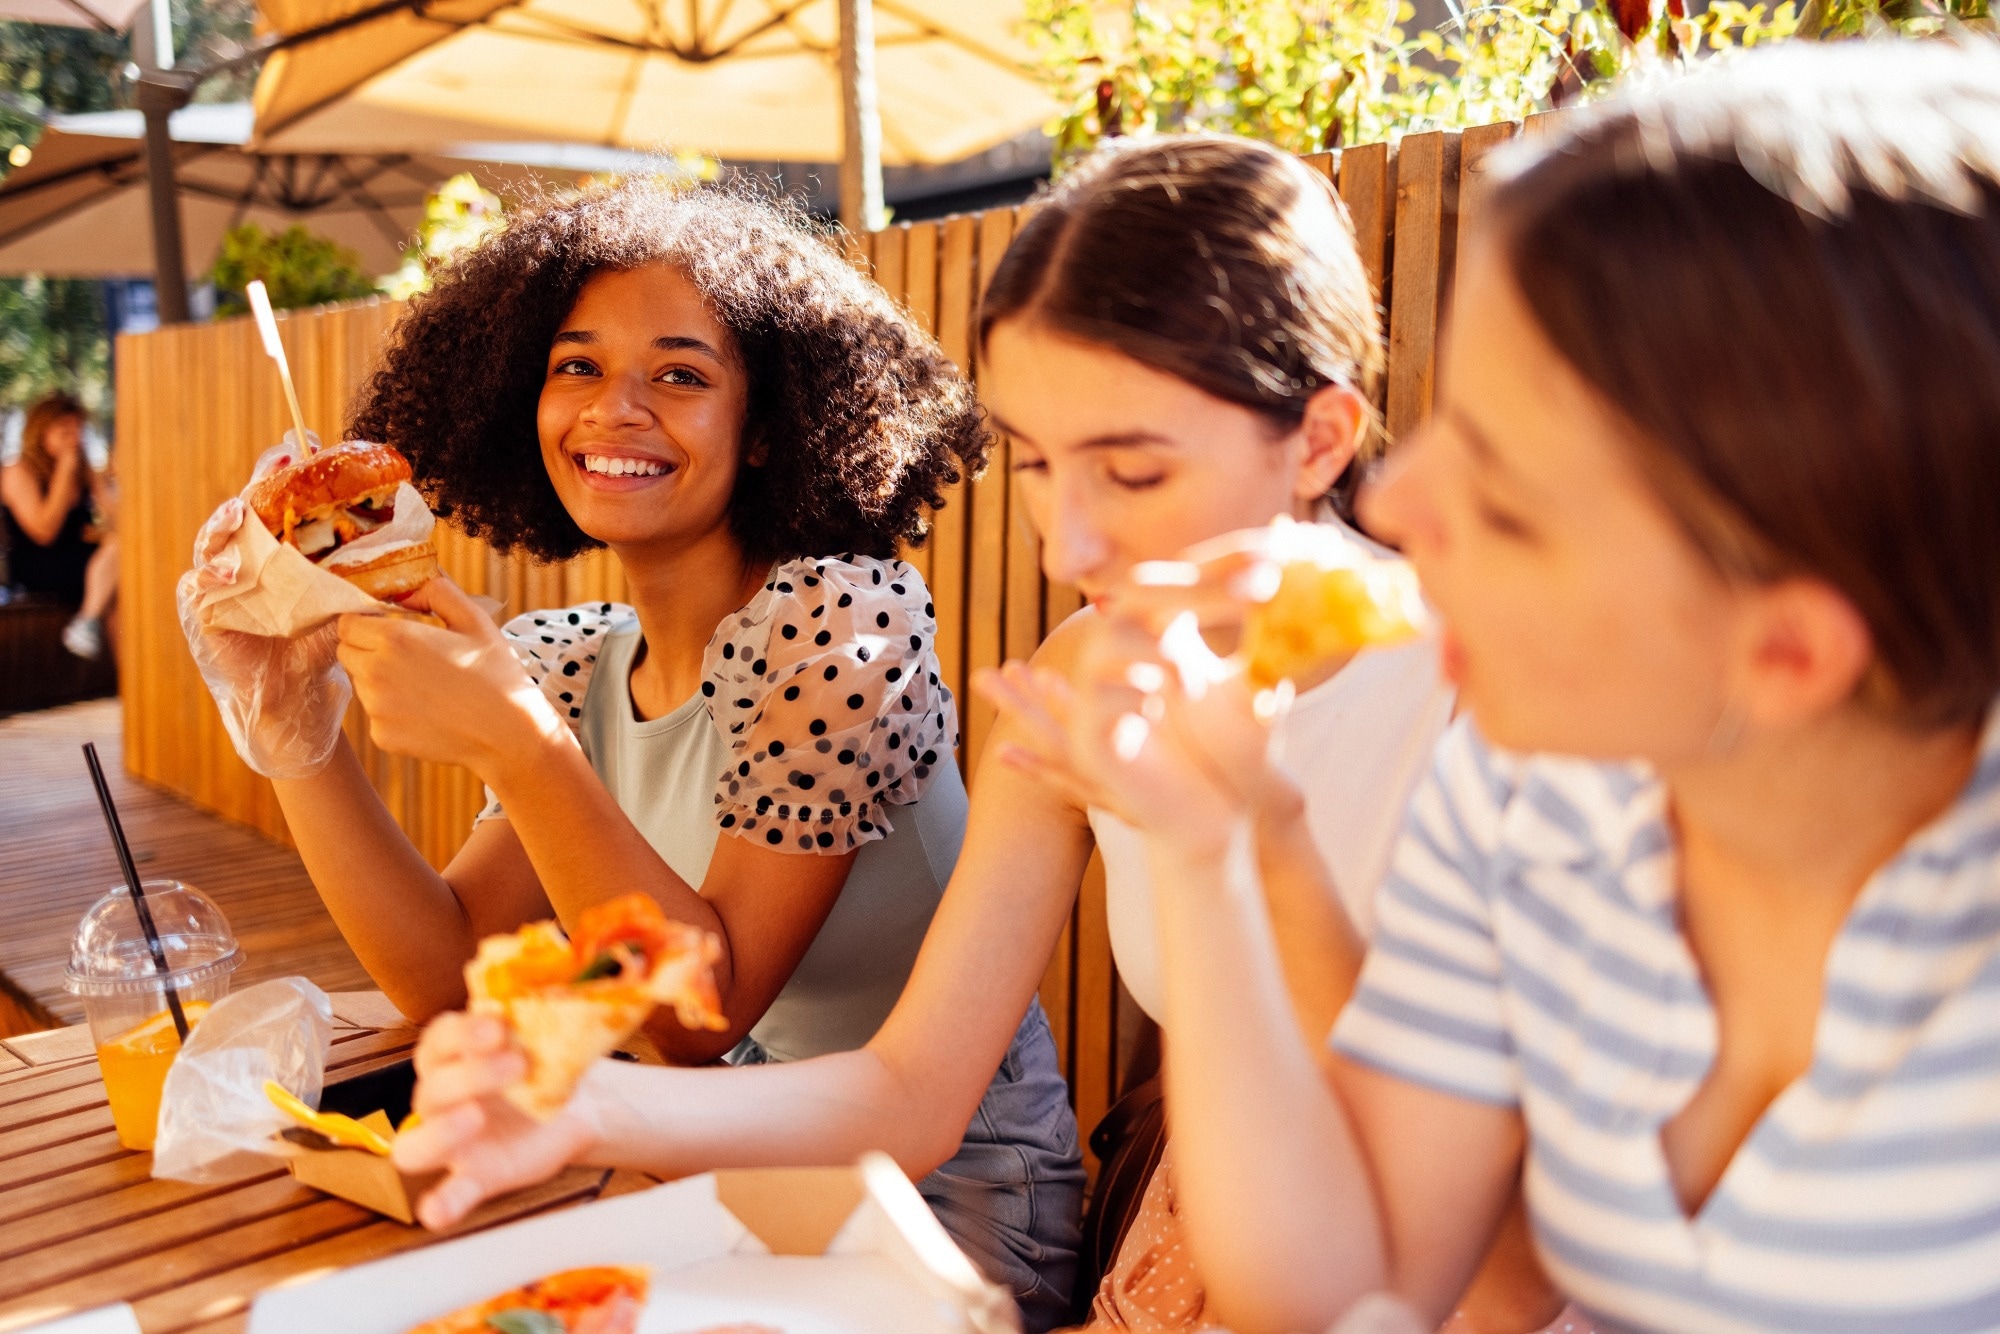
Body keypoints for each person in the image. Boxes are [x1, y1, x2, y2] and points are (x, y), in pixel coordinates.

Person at [388, 136, 1556, 1330]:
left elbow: (1489, 1260)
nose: (1070, 549)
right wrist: (588, 1108)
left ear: (1317, 439)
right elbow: (907, 1089)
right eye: (1041, 466)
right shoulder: (1081, 679)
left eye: (1135, 471)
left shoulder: (1496, 699)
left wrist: (1238, 833)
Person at [1003, 43, 2000, 1334]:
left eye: (1511, 492)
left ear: (1788, 654)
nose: (1400, 500)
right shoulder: (1540, 791)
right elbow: (1344, 1282)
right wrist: (1223, 839)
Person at [179, 181, 1084, 1325]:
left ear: (766, 429)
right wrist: (292, 730)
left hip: (935, 1210)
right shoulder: (572, 661)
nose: (613, 409)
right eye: (575, 366)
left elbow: (703, 1017)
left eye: (680, 373)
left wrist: (523, 749)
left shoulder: (846, 623)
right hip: (700, 1182)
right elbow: (448, 968)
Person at [2, 392, 118, 658]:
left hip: (82, 564)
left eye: (78, 430)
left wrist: (101, 481)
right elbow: (45, 532)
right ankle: (87, 620)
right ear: (41, 432)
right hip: (38, 567)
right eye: (65, 430)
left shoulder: (83, 469)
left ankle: (130, 682)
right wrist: (65, 473)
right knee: (119, 575)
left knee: (124, 580)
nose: (74, 439)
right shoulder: (18, 470)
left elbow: (118, 519)